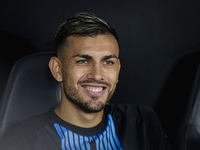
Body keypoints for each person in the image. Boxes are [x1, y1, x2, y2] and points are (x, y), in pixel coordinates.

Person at [0, 12, 172, 150]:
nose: (97, 75)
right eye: (83, 61)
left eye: (107, 62)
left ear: (117, 70)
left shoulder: (142, 122)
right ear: (57, 70)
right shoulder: (23, 139)